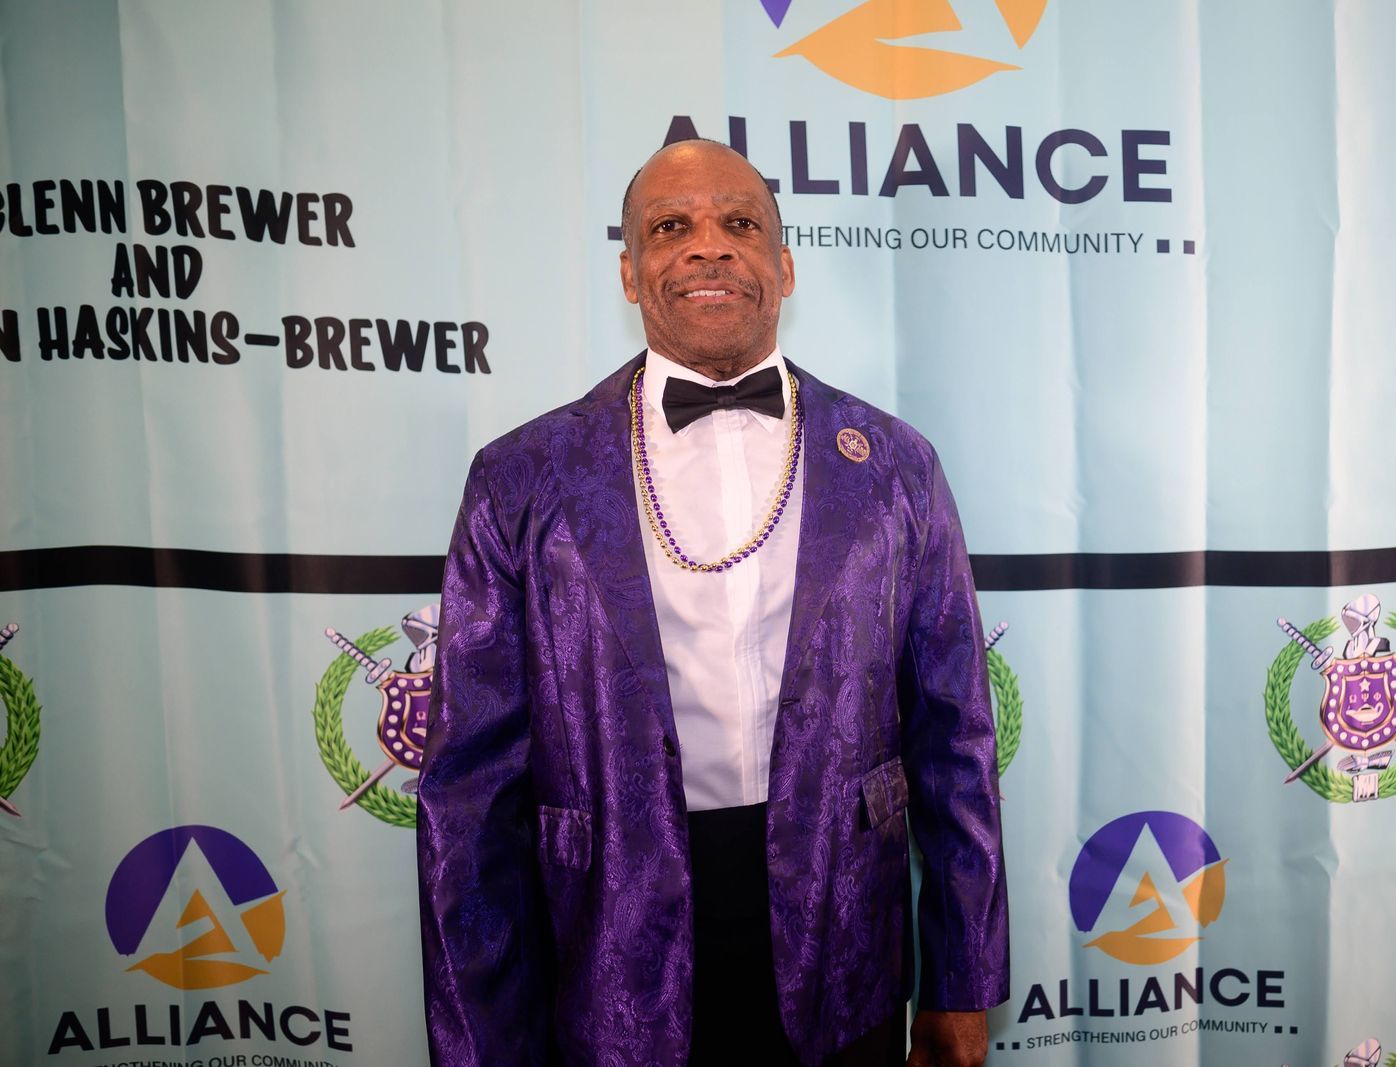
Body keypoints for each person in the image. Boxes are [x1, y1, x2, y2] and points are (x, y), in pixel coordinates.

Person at [416, 138, 1009, 1067]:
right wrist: (481, 1038)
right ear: (628, 271)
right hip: (605, 944)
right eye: (670, 227)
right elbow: (468, 791)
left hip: (845, 937)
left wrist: (963, 977)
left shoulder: (896, 463)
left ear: (784, 263)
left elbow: (956, 739)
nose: (708, 247)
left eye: (740, 223)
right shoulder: (520, 477)